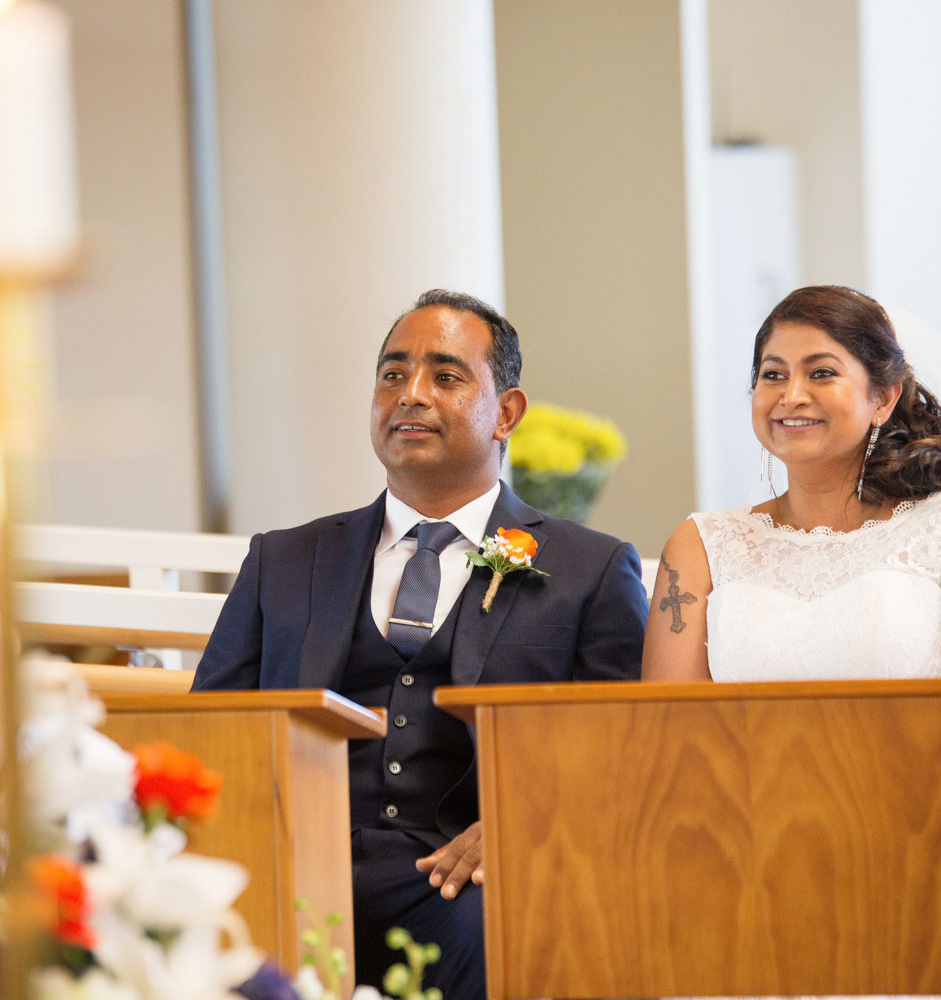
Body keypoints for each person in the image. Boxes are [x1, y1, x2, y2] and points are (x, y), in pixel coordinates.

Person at [193, 289, 649, 999]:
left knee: (487, 930)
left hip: (468, 876)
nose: (409, 394)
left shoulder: (590, 569)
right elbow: (211, 731)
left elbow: (627, 749)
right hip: (296, 864)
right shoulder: (284, 559)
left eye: (445, 375)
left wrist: (519, 825)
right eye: (391, 373)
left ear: (507, 412)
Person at [642, 285, 941, 999]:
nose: (790, 394)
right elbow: (669, 736)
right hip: (748, 858)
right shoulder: (701, 545)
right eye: (772, 374)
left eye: (822, 371)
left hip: (932, 852)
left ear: (885, 396)